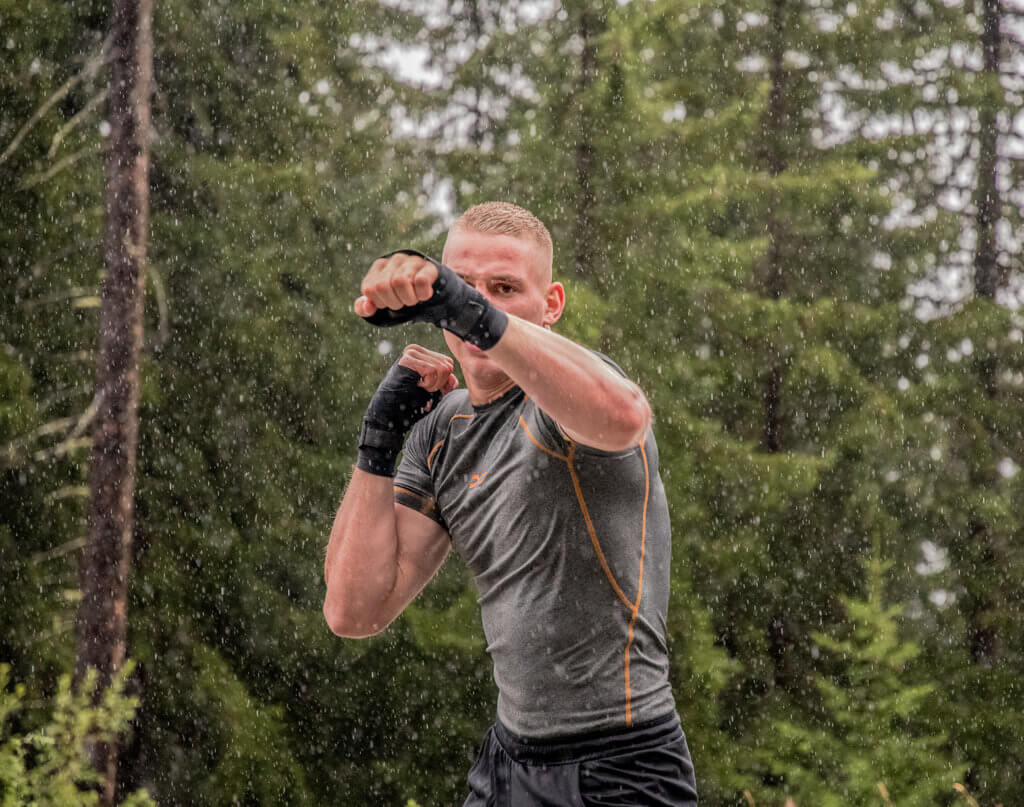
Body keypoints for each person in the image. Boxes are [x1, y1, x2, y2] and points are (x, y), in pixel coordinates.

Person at [323, 202, 698, 805]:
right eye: (462, 287)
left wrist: (473, 312)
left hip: (622, 765)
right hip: (509, 763)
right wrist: (378, 445)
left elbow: (625, 416)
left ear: (550, 305)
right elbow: (354, 609)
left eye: (504, 289)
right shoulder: (442, 431)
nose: (476, 306)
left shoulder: (565, 398)